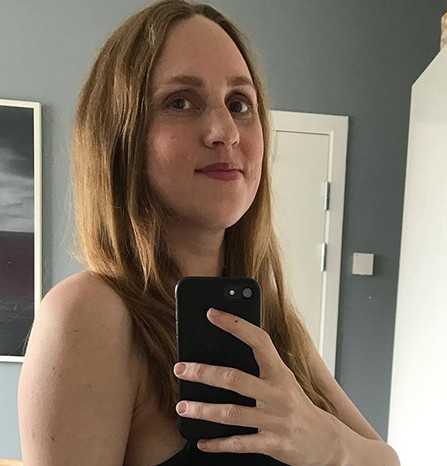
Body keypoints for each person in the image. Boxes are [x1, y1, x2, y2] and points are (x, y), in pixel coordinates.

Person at [17, 1, 401, 465]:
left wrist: (325, 443)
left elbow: (387, 461)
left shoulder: (270, 319)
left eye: (239, 104)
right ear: (121, 136)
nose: (225, 131)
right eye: (180, 102)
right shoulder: (90, 315)